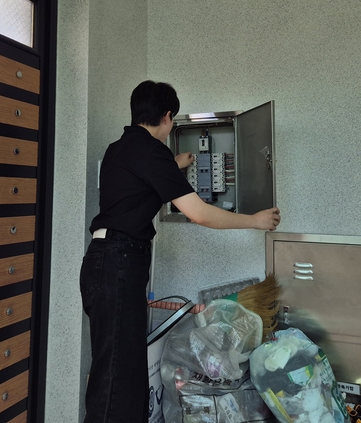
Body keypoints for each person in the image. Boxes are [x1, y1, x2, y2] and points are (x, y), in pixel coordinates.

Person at [79, 80, 281, 423]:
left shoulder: (119, 149)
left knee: (116, 370)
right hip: (119, 264)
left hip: (102, 261)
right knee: (116, 378)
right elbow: (199, 213)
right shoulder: (151, 152)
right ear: (167, 116)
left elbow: (139, 183)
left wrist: (175, 164)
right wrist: (254, 220)